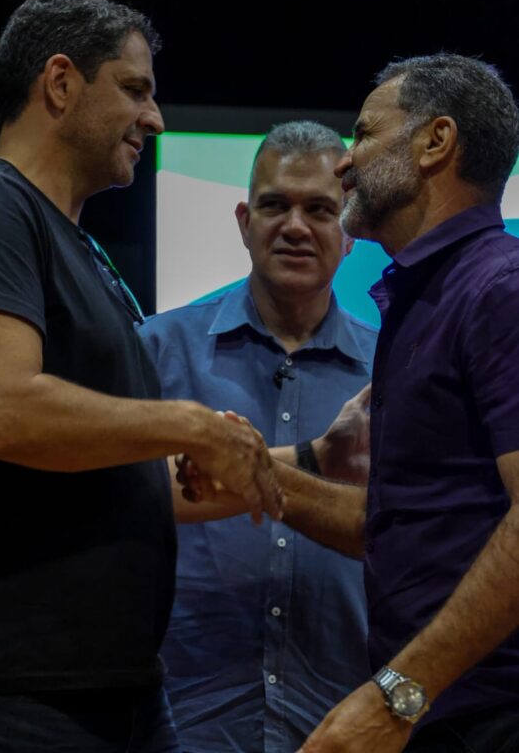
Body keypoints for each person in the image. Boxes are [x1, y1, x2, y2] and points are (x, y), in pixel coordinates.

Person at [0, 0, 284, 753]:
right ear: (61, 82)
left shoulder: (80, 247)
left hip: (112, 695)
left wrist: (297, 463)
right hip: (9, 703)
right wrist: (191, 424)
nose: (155, 119)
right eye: (135, 90)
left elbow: (123, 474)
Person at [185, 54, 519, 753]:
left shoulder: (499, 289)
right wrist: (269, 470)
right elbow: (408, 525)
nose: (344, 163)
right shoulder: (423, 299)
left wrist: (399, 694)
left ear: (435, 143)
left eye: (365, 134)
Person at [138, 121, 378, 751]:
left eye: (320, 209)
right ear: (244, 222)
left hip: (344, 723)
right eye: (275, 206)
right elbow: (109, 501)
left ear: (349, 232)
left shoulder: (393, 373)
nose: (295, 226)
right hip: (182, 719)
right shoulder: (154, 351)